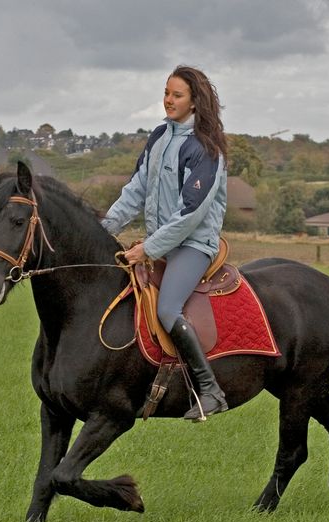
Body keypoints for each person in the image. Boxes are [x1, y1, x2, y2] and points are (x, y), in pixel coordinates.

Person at [101, 65, 229, 422]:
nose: (168, 100)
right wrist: (102, 228)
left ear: (194, 102)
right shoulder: (159, 137)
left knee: (168, 310)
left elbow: (191, 213)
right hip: (162, 242)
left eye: (177, 95)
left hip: (193, 244)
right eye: (166, 93)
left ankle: (210, 390)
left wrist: (150, 248)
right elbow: (135, 192)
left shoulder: (205, 148)